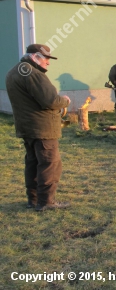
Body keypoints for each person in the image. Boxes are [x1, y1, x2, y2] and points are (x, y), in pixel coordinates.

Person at [5, 44, 71, 211]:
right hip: (42, 128)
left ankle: (33, 200)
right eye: (46, 59)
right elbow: (50, 100)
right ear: (35, 57)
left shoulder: (14, 71)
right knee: (49, 163)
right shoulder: (33, 74)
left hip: (26, 127)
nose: (48, 63)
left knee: (33, 163)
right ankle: (46, 201)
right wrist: (65, 101)